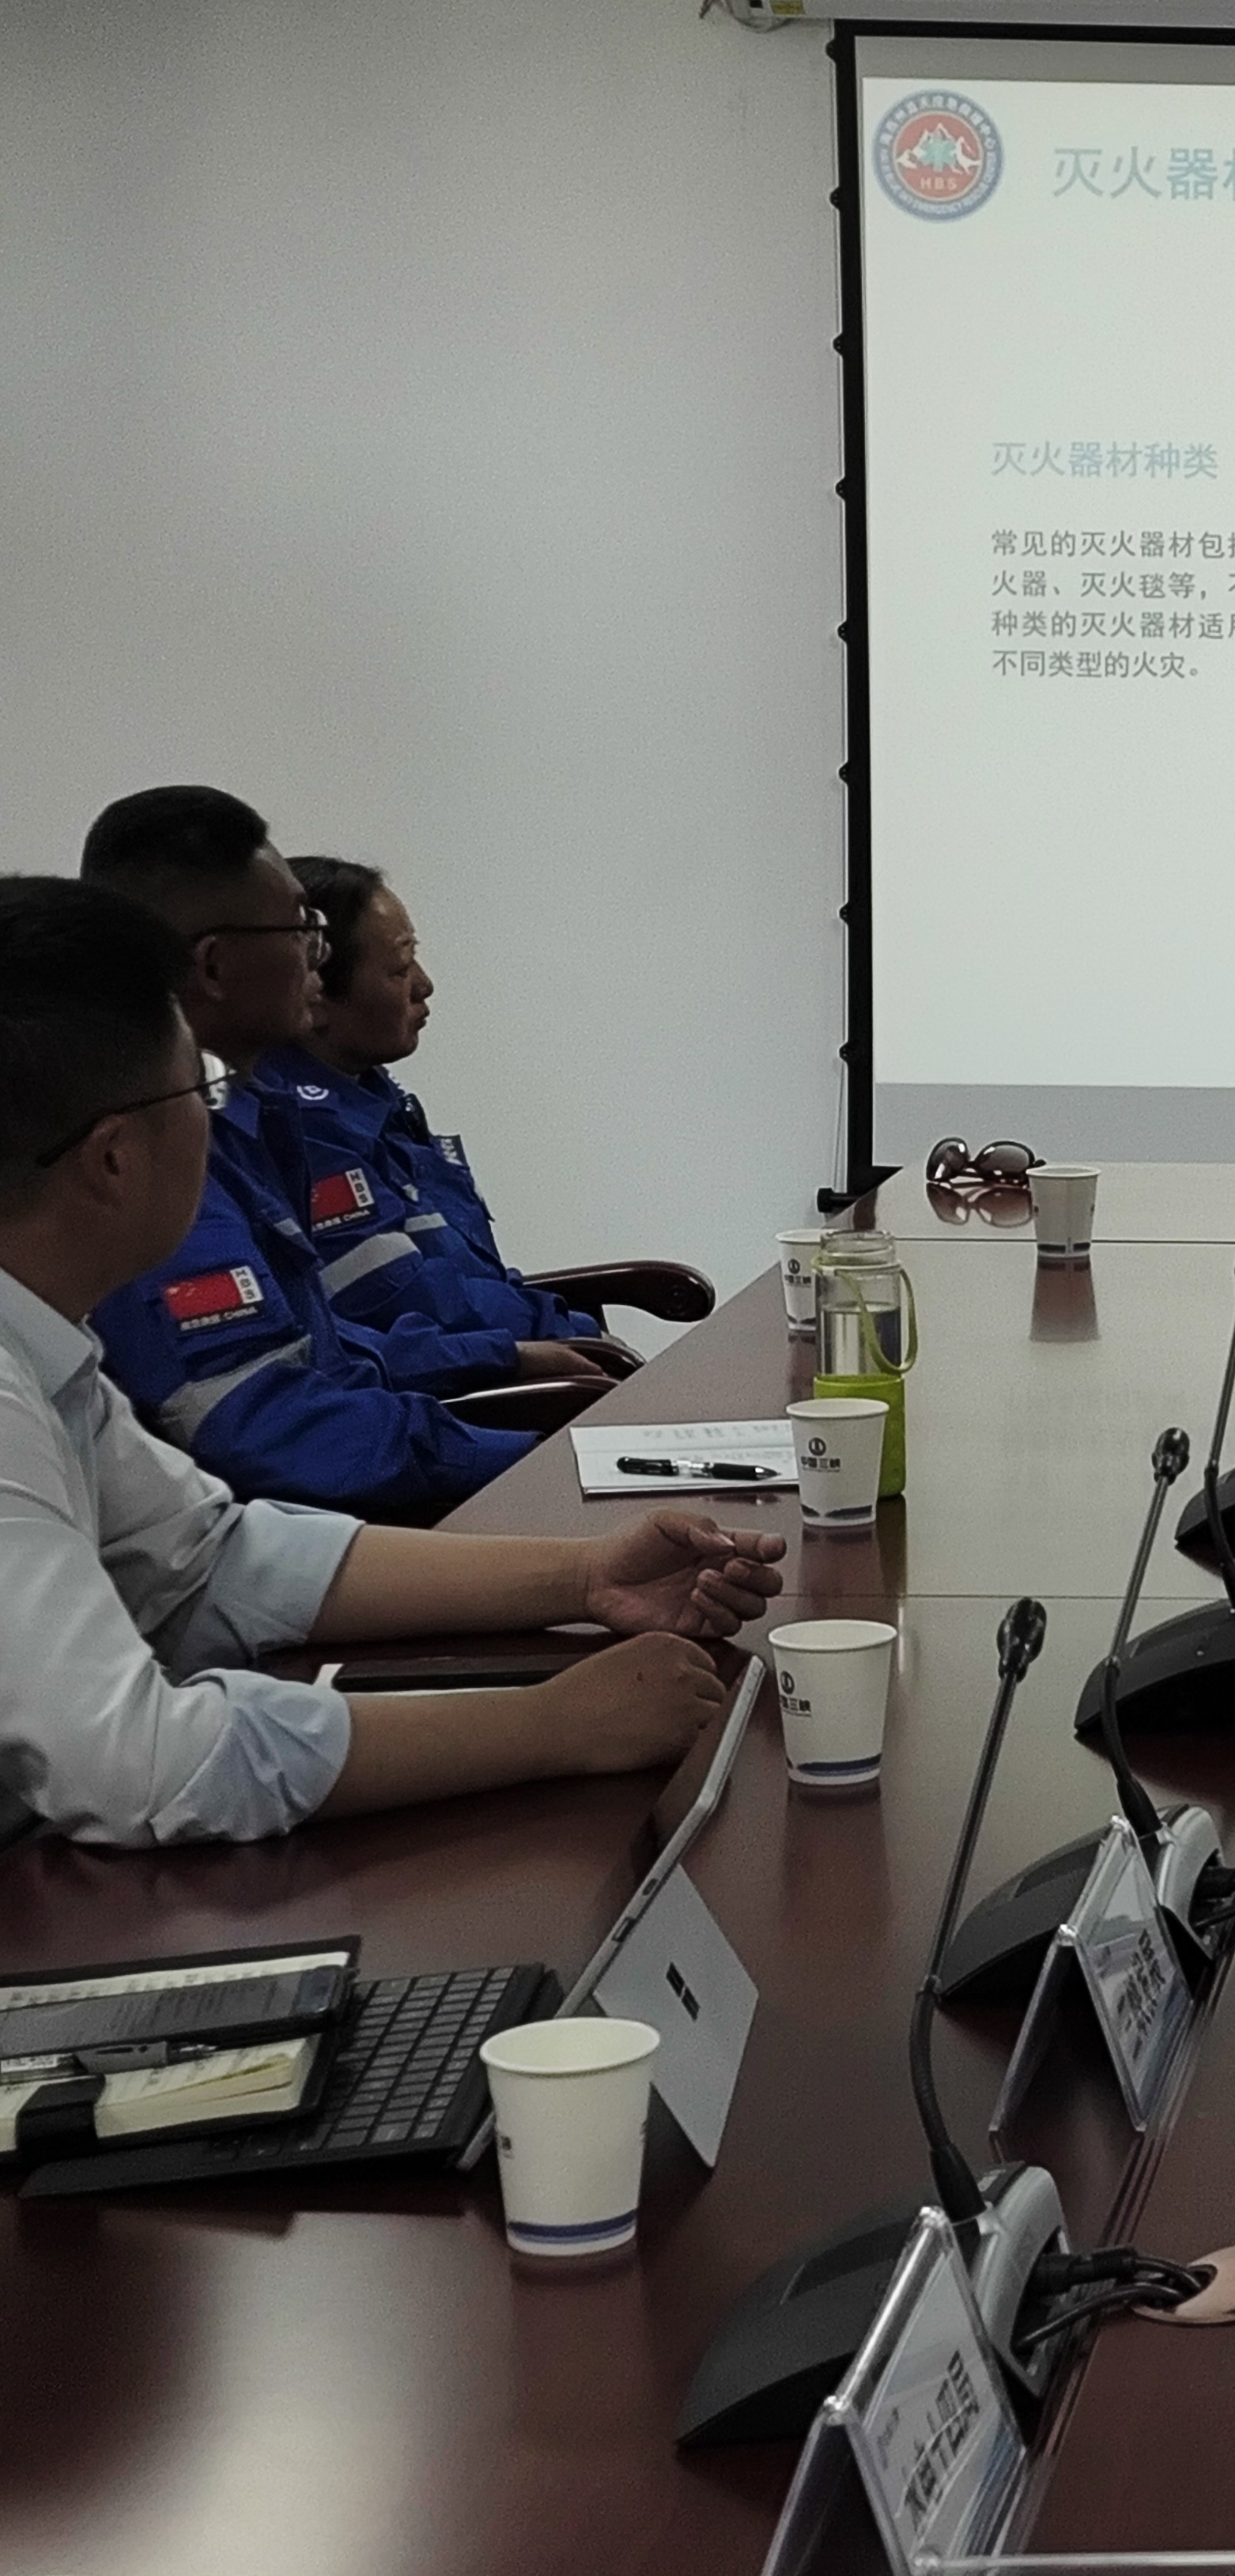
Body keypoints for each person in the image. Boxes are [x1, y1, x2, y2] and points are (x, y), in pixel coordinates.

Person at [0, 875, 775, 1848]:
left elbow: (211, 1561)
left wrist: (584, 1576)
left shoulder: (46, 1355)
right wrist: (551, 1724)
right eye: (198, 1091)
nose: (217, 1120)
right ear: (114, 1158)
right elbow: (148, 1765)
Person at [75, 790, 560, 1517]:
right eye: (302, 929)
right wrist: (527, 1460)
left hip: (338, 1516)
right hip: (307, 1536)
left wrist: (502, 1361)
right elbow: (268, 1429)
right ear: (214, 966)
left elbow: (316, 1348)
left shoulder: (239, 1122)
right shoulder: (152, 1155)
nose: (318, 955)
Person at [275, 855, 627, 1375]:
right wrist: (566, 1330)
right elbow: (403, 1300)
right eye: (400, 969)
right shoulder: (306, 1130)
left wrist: (561, 1325)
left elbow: (468, 1276)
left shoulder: (375, 1098)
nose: (424, 985)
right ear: (316, 994)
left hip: (500, 1358)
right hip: (465, 1390)